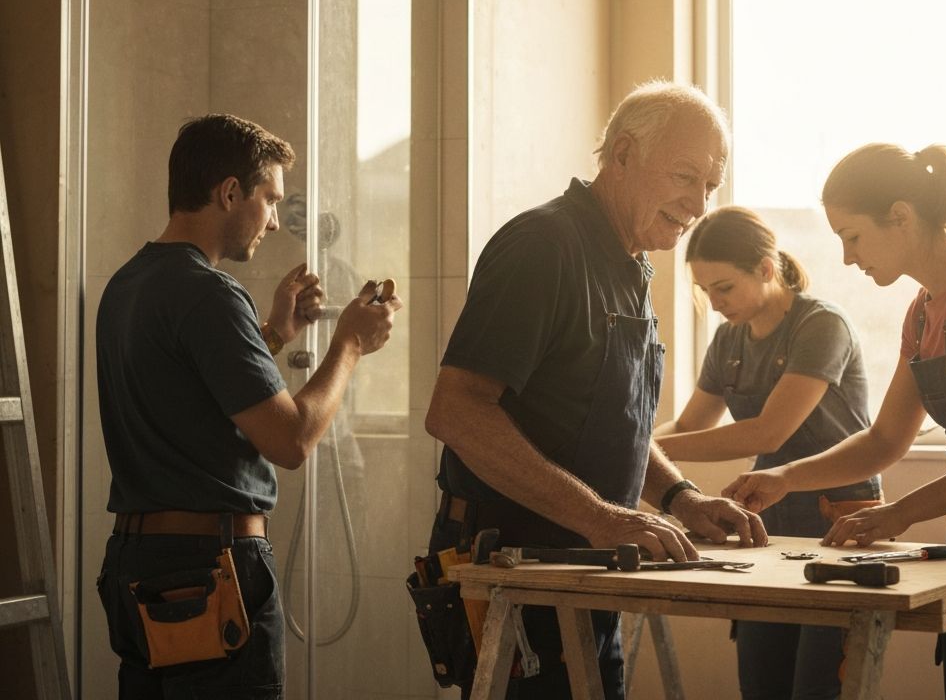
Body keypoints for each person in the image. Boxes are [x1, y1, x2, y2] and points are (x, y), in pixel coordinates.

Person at [423, 81, 768, 700]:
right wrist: (600, 516)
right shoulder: (543, 245)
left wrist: (681, 498)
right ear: (624, 153)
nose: (698, 204)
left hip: (588, 560)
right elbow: (456, 411)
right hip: (513, 569)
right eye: (685, 176)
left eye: (710, 186)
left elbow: (614, 422)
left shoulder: (629, 263)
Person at [95, 114, 403, 698]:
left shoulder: (128, 284)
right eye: (270, 199)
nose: (274, 220)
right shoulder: (209, 292)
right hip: (209, 569)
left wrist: (276, 335)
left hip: (138, 561)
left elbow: (191, 395)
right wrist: (350, 343)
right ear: (230, 192)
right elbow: (291, 440)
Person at [724, 143, 946, 700]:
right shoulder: (923, 311)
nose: (846, 258)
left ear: (901, 216)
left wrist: (899, 513)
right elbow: (885, 439)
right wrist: (785, 477)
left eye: (852, 236)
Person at [654, 205, 881, 700]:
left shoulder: (821, 324)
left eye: (724, 287)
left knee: (819, 685)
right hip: (766, 514)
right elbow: (690, 426)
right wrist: (639, 445)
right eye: (704, 290)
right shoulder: (727, 339)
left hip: (838, 514)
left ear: (764, 268)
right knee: (761, 681)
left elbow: (768, 434)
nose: (714, 303)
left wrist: (640, 449)